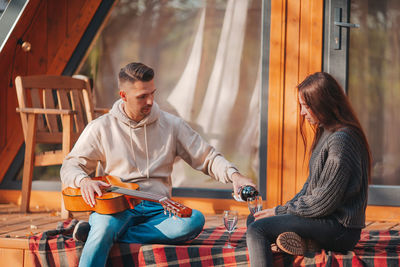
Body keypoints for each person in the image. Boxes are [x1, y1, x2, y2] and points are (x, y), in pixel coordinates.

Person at [60, 62, 254, 267]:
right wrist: (83, 181)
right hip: (115, 207)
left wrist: (235, 176)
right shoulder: (101, 128)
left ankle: (105, 235)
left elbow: (207, 157)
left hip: (160, 209)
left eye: (152, 93)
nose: (151, 101)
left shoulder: (172, 125)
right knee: (103, 228)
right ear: (123, 96)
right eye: (142, 96)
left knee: (193, 221)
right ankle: (102, 234)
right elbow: (70, 165)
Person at [246, 72, 371, 266]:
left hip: (341, 229)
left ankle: (307, 240)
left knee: (258, 230)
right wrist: (281, 210)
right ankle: (307, 242)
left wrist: (280, 211)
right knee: (253, 219)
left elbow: (323, 201)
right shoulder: (326, 131)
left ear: (323, 104)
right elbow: (310, 187)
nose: (302, 113)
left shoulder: (342, 140)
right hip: (324, 220)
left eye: (306, 106)